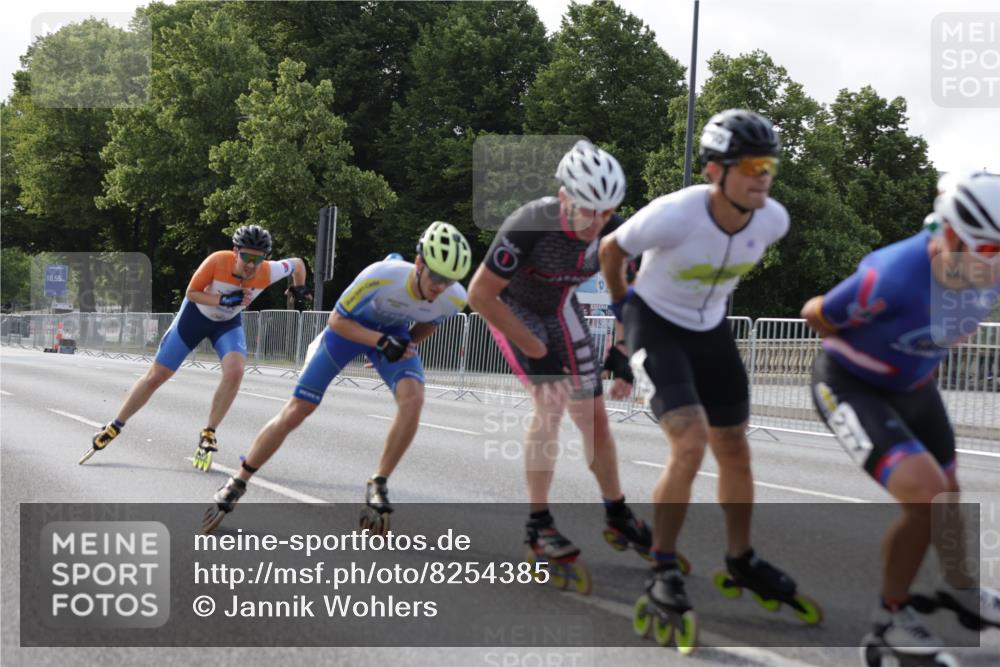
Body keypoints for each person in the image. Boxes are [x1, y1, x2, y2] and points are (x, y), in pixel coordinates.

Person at [599, 110, 819, 640]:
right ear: (715, 171)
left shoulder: (773, 220)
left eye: (768, 164)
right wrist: (623, 310)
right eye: (750, 165)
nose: (762, 175)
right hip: (656, 324)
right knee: (690, 442)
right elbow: (611, 250)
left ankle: (740, 558)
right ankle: (664, 566)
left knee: (735, 447)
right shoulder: (676, 213)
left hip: (711, 329)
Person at [802, 171, 1000, 654]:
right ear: (951, 236)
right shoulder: (890, 275)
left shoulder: (986, 265)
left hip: (914, 386)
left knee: (949, 494)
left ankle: (960, 588)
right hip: (851, 384)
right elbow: (816, 314)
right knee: (927, 496)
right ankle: (890, 618)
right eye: (991, 253)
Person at [202, 221, 471, 534]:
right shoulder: (381, 276)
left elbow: (431, 322)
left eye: (449, 280)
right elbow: (337, 321)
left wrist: (407, 344)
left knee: (414, 399)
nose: (441, 286)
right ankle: (238, 482)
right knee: (297, 411)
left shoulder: (453, 297)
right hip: (347, 332)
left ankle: (378, 483)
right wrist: (382, 343)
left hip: (393, 334)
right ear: (420, 264)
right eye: (437, 276)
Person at [467, 139, 650, 588]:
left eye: (607, 211)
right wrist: (535, 348)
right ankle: (538, 523)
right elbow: (479, 295)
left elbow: (629, 292)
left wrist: (622, 352)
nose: (597, 221)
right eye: (588, 209)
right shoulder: (531, 223)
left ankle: (616, 511)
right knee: (550, 400)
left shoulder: (612, 233)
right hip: (512, 308)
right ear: (565, 196)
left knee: (596, 419)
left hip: (560, 308)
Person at [80, 225, 307, 470]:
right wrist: (223, 299)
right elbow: (193, 292)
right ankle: (115, 425)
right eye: (246, 257)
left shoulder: (269, 271)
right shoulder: (217, 262)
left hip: (227, 324)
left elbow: (298, 263)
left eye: (258, 259)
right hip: (195, 318)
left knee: (236, 372)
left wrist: (299, 287)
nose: (251, 265)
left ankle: (209, 432)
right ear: (235, 251)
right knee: (157, 376)